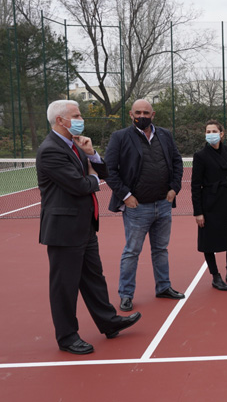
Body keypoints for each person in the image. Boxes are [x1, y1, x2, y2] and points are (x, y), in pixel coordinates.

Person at [37, 100, 141, 354]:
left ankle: (108, 321)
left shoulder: (75, 146)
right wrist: (92, 176)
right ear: (60, 120)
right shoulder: (50, 150)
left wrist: (91, 153)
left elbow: (103, 172)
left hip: (85, 226)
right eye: (76, 115)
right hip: (64, 230)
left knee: (94, 278)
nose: (81, 119)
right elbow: (81, 185)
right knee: (65, 286)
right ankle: (67, 337)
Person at [105, 99, 185, 312]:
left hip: (163, 204)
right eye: (138, 112)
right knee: (132, 252)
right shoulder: (120, 137)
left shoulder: (165, 135)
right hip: (137, 207)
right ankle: (126, 294)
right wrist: (126, 196)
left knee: (161, 249)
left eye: (146, 113)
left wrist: (174, 188)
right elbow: (109, 170)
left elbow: (177, 162)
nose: (142, 116)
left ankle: (163, 287)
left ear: (153, 115)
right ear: (131, 114)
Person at [191, 120, 227, 291]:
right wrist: (198, 212)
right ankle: (215, 276)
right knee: (209, 240)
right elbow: (195, 186)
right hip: (210, 203)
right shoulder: (200, 155)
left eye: (214, 131)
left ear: (221, 134)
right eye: (208, 131)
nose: (211, 134)